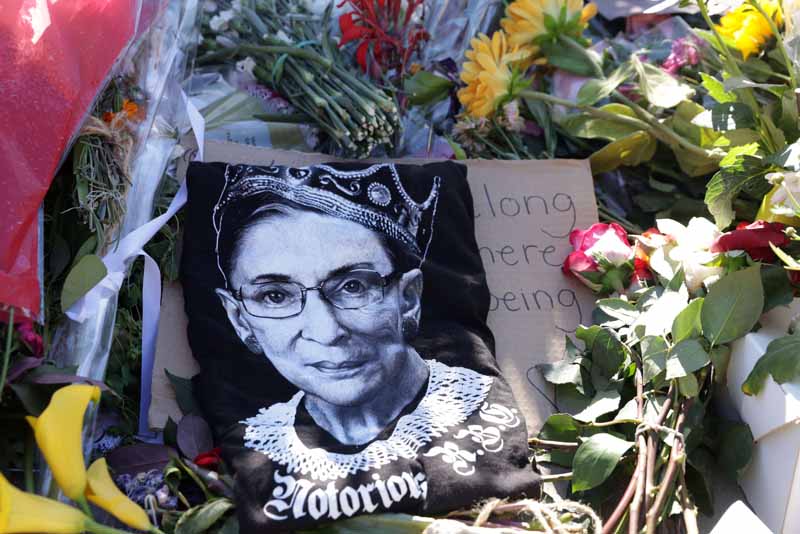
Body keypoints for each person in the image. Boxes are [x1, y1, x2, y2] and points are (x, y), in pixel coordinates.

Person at [210, 163, 537, 529]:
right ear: (239, 319)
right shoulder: (261, 439)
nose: (326, 331)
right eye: (275, 295)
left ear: (409, 298)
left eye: (353, 286)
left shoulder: (476, 407)